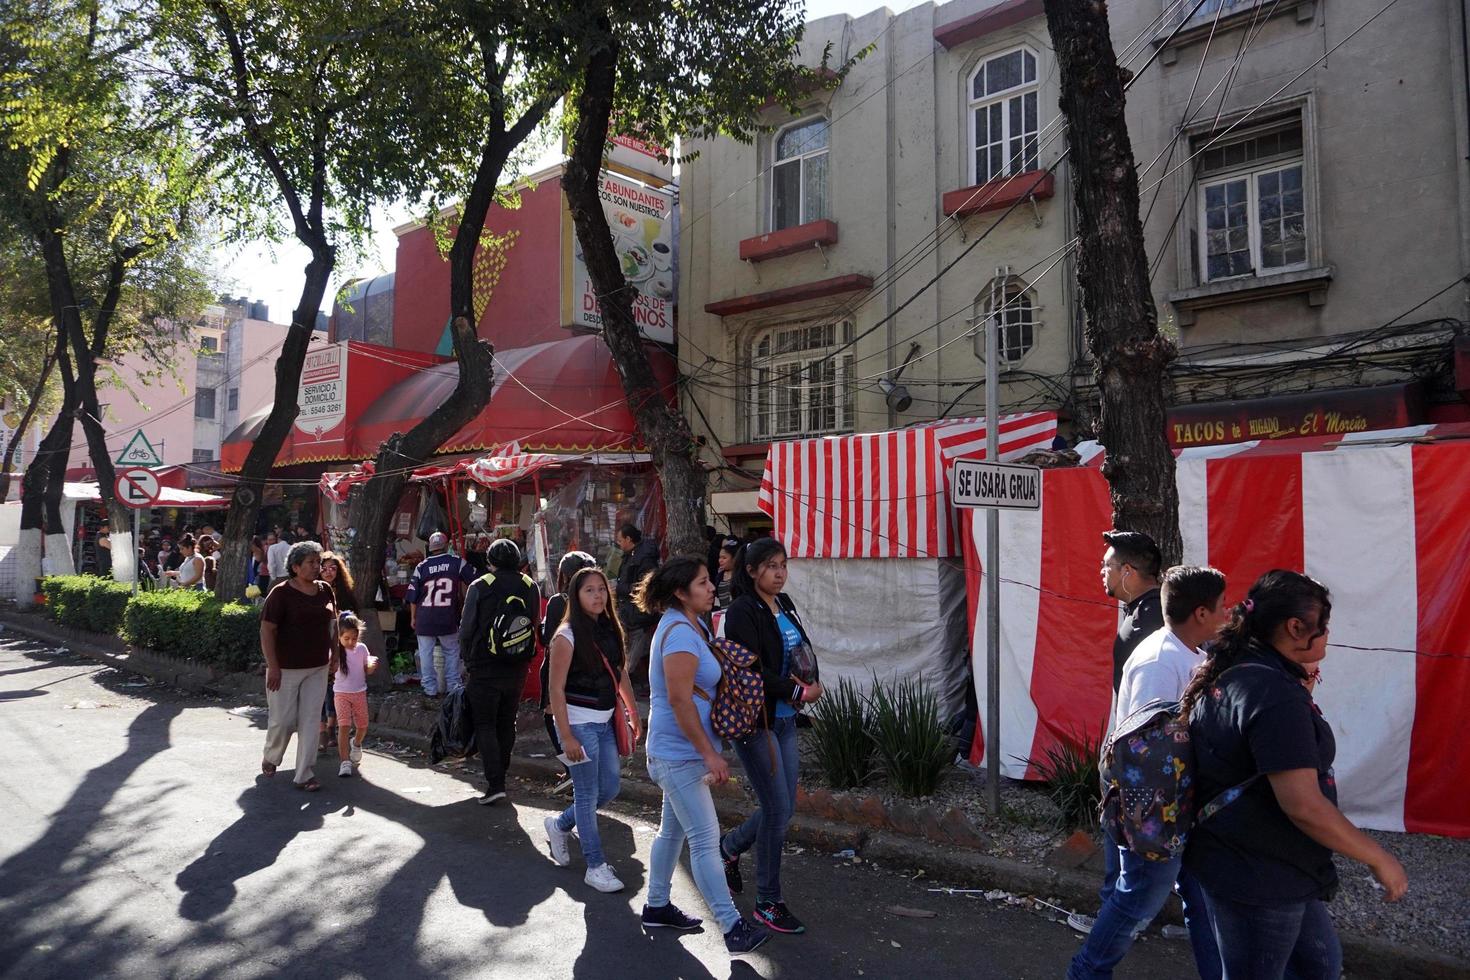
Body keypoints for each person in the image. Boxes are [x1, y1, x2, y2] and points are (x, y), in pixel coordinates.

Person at [1181, 570, 1407, 979]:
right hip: (1259, 876)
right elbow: (1303, 804)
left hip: (1259, 865)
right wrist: (1378, 858)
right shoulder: (1272, 695)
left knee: (1319, 966)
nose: (1327, 637)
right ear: (1294, 628)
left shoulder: (1240, 667)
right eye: (1323, 628)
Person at [1069, 565, 1229, 980]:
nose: (1226, 614)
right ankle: (1085, 973)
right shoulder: (1161, 661)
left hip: (1180, 806)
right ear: (1200, 613)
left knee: (1199, 899)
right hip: (1156, 812)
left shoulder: (1189, 651)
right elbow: (1144, 751)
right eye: (1221, 607)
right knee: (1134, 900)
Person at [638, 555, 771, 954]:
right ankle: (731, 927)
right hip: (677, 754)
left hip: (678, 751)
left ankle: (657, 905)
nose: (712, 587)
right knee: (704, 838)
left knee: (673, 831)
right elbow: (679, 700)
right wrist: (709, 755)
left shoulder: (689, 624)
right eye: (702, 583)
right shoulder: (679, 632)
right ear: (681, 592)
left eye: (709, 581)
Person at [718, 537, 823, 935]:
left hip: (784, 719)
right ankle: (767, 901)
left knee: (783, 807)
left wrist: (810, 681)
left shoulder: (786, 604)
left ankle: (729, 848)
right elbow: (747, 672)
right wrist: (797, 691)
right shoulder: (742, 611)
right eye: (771, 566)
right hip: (754, 723)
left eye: (783, 564)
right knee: (777, 809)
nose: (780, 573)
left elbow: (799, 652)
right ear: (750, 570)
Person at [542, 566, 641, 892]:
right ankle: (595, 865)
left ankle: (559, 824)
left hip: (606, 723)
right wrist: (566, 735)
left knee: (609, 789)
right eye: (589, 590)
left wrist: (632, 710)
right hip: (578, 724)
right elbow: (555, 690)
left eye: (601, 589)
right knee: (586, 795)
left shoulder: (610, 629)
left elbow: (620, 673)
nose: (597, 595)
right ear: (576, 595)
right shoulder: (566, 636)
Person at [460, 538, 541, 805]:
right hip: (517, 667)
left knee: (485, 723)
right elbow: (534, 625)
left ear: (490, 561)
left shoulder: (480, 585)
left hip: (484, 667)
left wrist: (466, 660)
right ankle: (501, 776)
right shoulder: (530, 586)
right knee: (507, 722)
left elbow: (467, 627)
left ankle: (495, 783)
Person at [259, 541, 336, 791]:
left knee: (311, 720)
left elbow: (332, 626)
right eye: (311, 563)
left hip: (317, 666)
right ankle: (272, 756)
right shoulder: (280, 593)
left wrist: (335, 655)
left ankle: (305, 773)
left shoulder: (325, 590)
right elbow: (267, 630)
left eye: (319, 562)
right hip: (285, 668)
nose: (317, 567)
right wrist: (273, 666)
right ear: (295, 567)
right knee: (283, 721)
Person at [539, 551, 600, 753]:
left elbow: (547, 638)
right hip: (592, 668)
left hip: (561, 668)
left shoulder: (558, 601)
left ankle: (570, 764)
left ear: (564, 575)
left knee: (553, 711)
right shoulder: (598, 599)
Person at [406, 531, 477, 698]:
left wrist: (413, 617)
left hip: (425, 618)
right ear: (446, 546)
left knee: (425, 654)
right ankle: (453, 686)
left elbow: (413, 597)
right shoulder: (456, 562)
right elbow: (474, 580)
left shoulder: (421, 567)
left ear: (430, 548)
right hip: (447, 617)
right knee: (451, 652)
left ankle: (429, 689)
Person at [1101, 530, 1163, 695]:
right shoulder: (1144, 608)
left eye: (1107, 565)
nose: (1102, 572)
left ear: (1127, 570)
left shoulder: (1152, 614)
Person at [319, 551, 358, 748]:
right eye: (324, 568)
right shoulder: (314, 590)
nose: (328, 572)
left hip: (339, 646)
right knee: (319, 688)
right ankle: (321, 730)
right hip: (318, 644)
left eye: (332, 568)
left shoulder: (344, 593)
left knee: (334, 688)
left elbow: (354, 620)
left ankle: (331, 728)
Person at [614, 523, 660, 688]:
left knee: (633, 653)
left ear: (628, 539)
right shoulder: (631, 555)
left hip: (639, 614)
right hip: (629, 612)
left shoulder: (644, 559)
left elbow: (644, 586)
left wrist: (619, 588)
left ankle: (622, 683)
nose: (618, 543)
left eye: (620, 540)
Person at [333, 615, 377, 778]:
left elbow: (367, 669)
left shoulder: (362, 649)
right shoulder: (336, 651)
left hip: (359, 692)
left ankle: (356, 743)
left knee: (362, 726)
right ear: (339, 637)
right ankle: (344, 762)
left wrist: (372, 666)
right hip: (341, 693)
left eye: (354, 638)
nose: (351, 642)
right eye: (346, 638)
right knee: (344, 726)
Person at [712, 538, 739, 610]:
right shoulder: (719, 576)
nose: (720, 560)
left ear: (734, 559)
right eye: (720, 557)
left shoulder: (740, 576)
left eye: (724, 558)